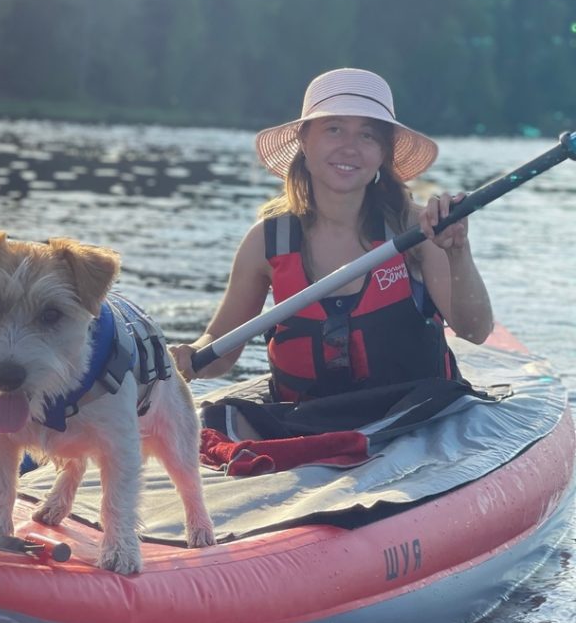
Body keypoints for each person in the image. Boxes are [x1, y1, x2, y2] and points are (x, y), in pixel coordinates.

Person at [170, 68, 493, 427]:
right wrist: (188, 356)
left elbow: (475, 331)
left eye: (367, 135)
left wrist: (457, 252)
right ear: (304, 142)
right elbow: (219, 351)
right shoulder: (266, 241)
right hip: (307, 423)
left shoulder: (419, 231)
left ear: (382, 154)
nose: (350, 147)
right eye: (334, 128)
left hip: (413, 421)